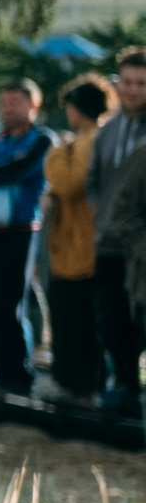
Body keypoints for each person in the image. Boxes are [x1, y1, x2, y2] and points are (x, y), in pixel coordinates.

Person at [0, 78, 54, 395]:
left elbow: (19, 170)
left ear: (33, 105)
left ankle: (19, 373)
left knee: (9, 304)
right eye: (5, 104)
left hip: (18, 231)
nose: (9, 110)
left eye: (16, 103)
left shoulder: (42, 140)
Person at [42, 74, 112, 404]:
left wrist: (56, 156)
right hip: (73, 243)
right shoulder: (85, 140)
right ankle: (74, 383)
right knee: (71, 318)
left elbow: (67, 182)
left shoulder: (89, 140)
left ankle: (83, 386)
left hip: (82, 245)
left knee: (77, 320)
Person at [86, 47, 146, 415]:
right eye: (127, 82)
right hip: (108, 240)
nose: (134, 90)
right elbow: (93, 178)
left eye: (141, 83)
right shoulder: (107, 131)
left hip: (141, 245)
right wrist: (99, 210)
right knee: (113, 317)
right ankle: (123, 384)